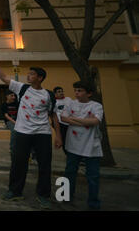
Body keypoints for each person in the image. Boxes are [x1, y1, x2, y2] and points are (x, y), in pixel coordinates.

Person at [0, 55, 62, 209]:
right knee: (18, 163)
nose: (28, 75)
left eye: (32, 74)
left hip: (43, 133)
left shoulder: (48, 95)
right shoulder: (22, 88)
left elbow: (53, 115)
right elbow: (3, 78)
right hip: (22, 132)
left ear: (40, 78)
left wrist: (58, 136)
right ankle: (15, 191)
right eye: (28, 73)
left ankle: (43, 195)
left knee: (44, 165)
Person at [59, 81, 104, 210]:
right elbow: (63, 118)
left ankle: (94, 203)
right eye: (76, 90)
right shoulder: (70, 103)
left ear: (89, 93)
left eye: (80, 90)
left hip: (91, 146)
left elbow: (95, 121)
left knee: (93, 176)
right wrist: (85, 122)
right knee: (69, 172)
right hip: (73, 144)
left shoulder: (96, 106)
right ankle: (66, 197)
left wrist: (74, 119)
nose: (76, 93)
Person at [53, 86, 73, 155]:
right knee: (64, 140)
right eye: (59, 92)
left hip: (71, 122)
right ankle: (68, 154)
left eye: (62, 91)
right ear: (55, 94)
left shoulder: (69, 99)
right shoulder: (54, 102)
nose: (61, 93)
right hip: (60, 123)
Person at [1, 91, 18, 159]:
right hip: (9, 121)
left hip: (18, 121)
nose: (14, 97)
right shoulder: (4, 105)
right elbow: (6, 116)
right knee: (14, 131)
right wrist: (14, 122)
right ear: (7, 96)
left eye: (14, 96)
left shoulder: (17, 104)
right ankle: (12, 149)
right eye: (12, 95)